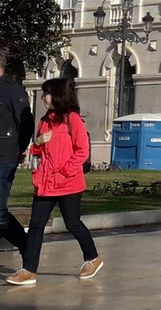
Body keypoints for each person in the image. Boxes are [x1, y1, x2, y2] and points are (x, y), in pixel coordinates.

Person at [7, 78, 102, 287]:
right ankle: (29, 270)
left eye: (46, 94)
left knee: (72, 223)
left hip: (68, 183)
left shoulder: (72, 119)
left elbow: (82, 151)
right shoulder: (44, 121)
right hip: (46, 183)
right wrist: (37, 143)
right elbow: (39, 151)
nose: (43, 98)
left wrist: (65, 171)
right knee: (35, 226)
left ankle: (93, 258)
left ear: (58, 96)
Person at [0, 51, 34, 258]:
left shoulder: (11, 88)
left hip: (4, 157)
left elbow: (26, 122)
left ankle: (27, 249)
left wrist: (18, 149)